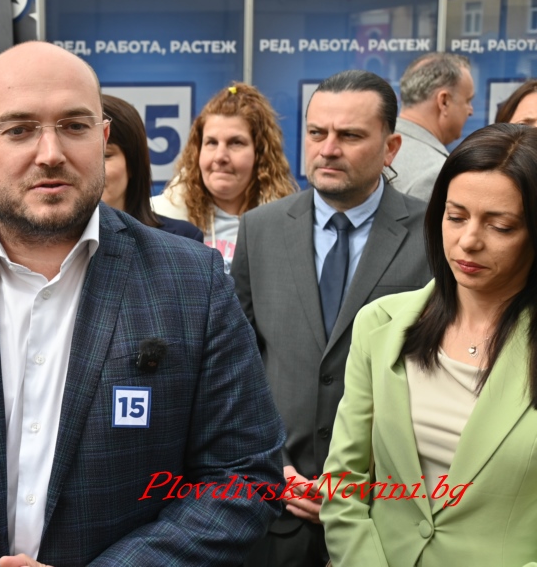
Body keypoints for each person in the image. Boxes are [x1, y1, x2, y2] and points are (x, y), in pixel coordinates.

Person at [0, 41, 285, 565]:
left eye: (74, 126)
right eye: (18, 130)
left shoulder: (194, 284)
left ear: (103, 137)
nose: (50, 152)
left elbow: (245, 475)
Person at [231, 70, 432, 567]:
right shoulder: (260, 229)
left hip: (385, 516)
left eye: (351, 135)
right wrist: (272, 466)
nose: (328, 149)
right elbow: (235, 367)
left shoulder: (433, 235)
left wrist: (361, 486)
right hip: (277, 510)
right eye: (317, 132)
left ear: (391, 148)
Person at [321, 123, 537, 566]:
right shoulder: (381, 325)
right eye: (455, 217)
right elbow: (344, 484)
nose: (469, 241)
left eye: (500, 226)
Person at [153, 83, 297, 272]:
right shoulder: (157, 222)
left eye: (236, 143)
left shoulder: (288, 228)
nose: (220, 156)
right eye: (211, 142)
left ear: (260, 154)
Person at [100, 93, 203, 241]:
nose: (93, 168)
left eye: (106, 155)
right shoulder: (62, 243)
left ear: (133, 163)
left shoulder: (182, 238)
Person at [389, 53, 474, 200]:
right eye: (468, 100)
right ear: (444, 102)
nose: (471, 111)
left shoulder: (376, 145)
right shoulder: (435, 173)